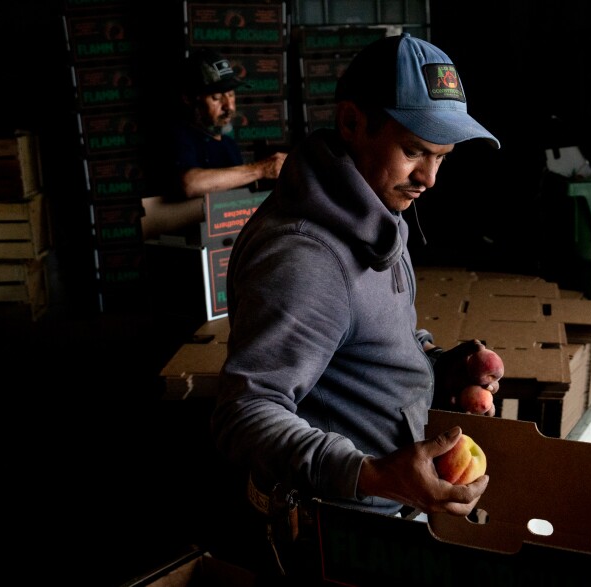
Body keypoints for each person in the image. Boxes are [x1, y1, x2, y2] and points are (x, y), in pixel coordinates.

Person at [211, 33, 501, 578]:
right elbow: (243, 414)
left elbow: (357, 353)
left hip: (379, 517)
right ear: (351, 123)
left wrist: (440, 367)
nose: (430, 179)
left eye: (443, 157)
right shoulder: (306, 258)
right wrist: (372, 474)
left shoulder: (374, 211)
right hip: (330, 534)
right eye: (414, 150)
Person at [142, 48, 288, 239]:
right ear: (188, 98)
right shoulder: (177, 136)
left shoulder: (228, 145)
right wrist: (260, 169)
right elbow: (190, 184)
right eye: (217, 98)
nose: (230, 107)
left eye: (232, 95)